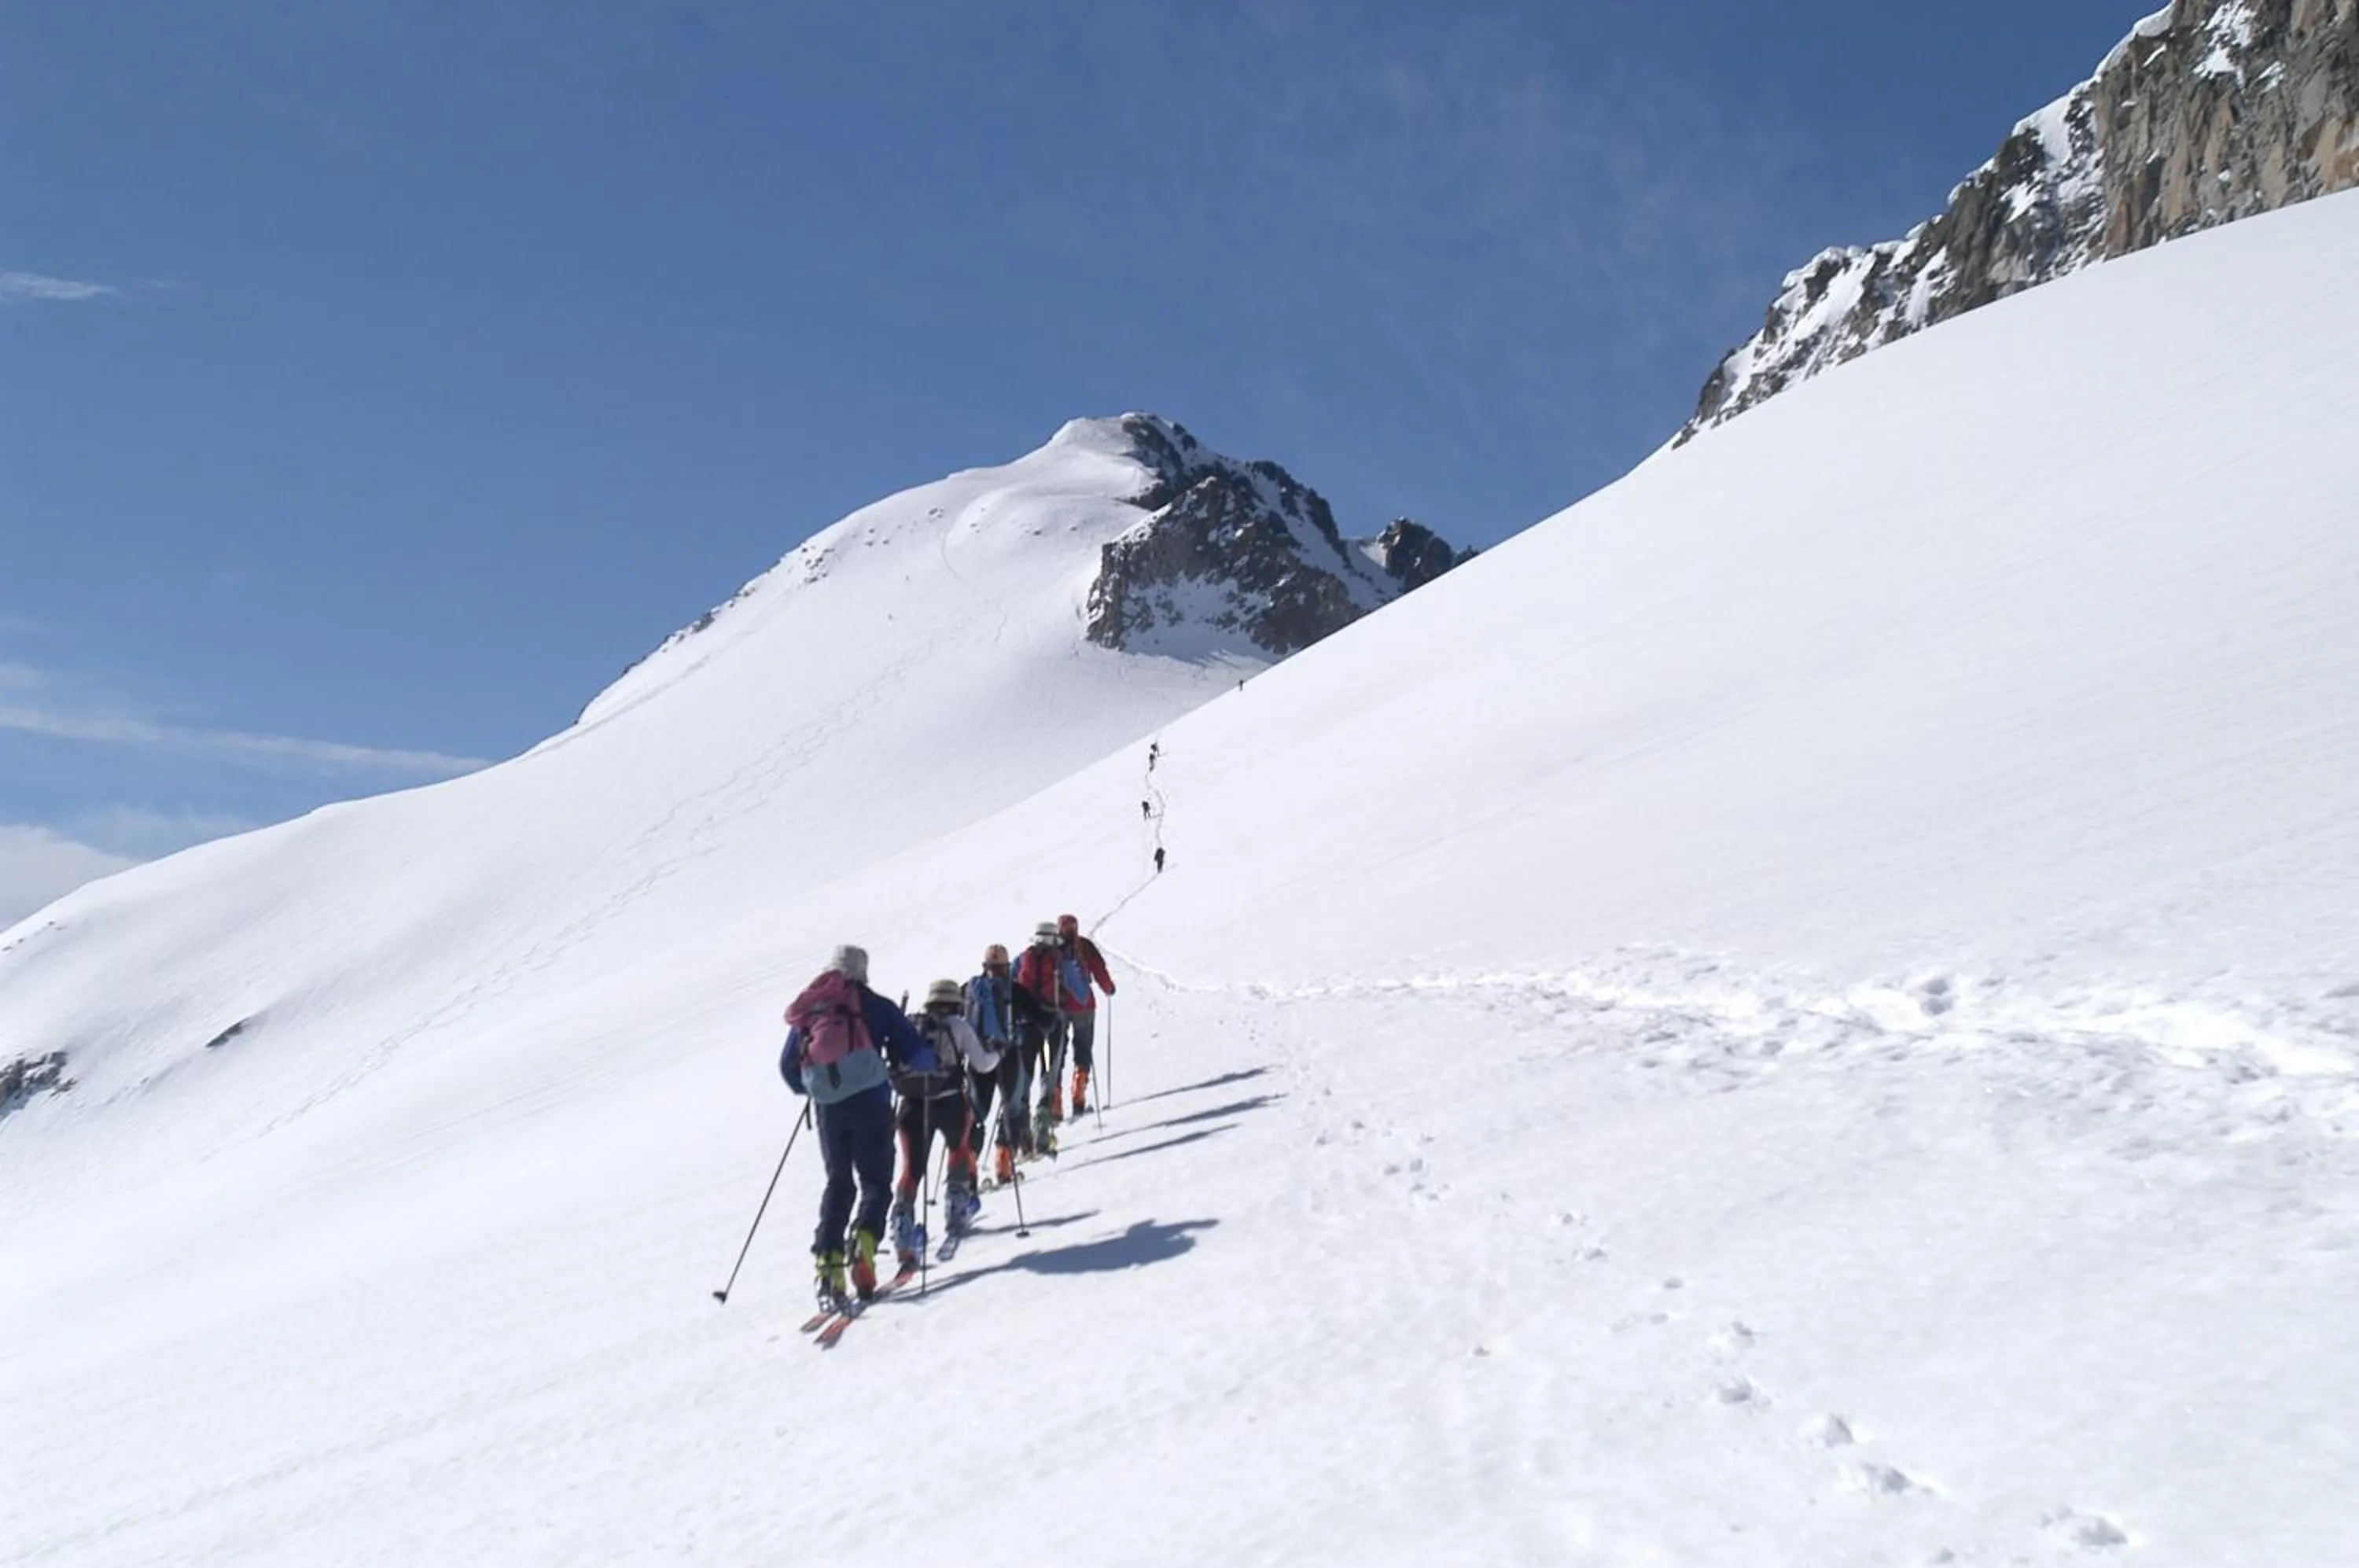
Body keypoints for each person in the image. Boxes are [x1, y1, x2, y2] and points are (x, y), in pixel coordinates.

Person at [781, 944, 929, 1312]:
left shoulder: (812, 1010)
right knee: (875, 1182)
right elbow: (917, 1055)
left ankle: (828, 1264)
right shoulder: (874, 1005)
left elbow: (788, 1066)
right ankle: (863, 1245)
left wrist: (815, 1088)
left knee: (838, 1182)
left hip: (829, 1110)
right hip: (871, 1103)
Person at [892, 979, 998, 1264]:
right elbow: (982, 1064)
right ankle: (955, 1207)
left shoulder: (910, 1025)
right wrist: (998, 1053)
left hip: (912, 1105)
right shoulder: (959, 1026)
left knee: (912, 1168)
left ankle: (902, 1225)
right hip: (951, 1103)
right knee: (958, 1149)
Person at [965, 944, 1024, 1185]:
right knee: (1012, 1107)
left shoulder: (970, 989)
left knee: (977, 1111)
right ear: (1007, 966)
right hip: (1008, 1056)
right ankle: (1004, 1162)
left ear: (985, 966)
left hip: (978, 1056)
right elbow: (1041, 1017)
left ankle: (967, 1165)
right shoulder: (1015, 990)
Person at [1012, 921, 1072, 1147]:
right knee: (1048, 1076)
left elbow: (1011, 988)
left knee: (1024, 1079)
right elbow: (1074, 990)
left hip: (1027, 1028)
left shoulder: (1021, 959)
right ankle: (1042, 1132)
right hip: (1052, 1028)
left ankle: (1023, 1137)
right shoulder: (1060, 960)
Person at [1053, 912, 1117, 1115]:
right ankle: (1078, 1092)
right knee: (1083, 1048)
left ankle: (1055, 1101)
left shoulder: (1052, 950)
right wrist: (1108, 988)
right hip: (1084, 1006)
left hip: (1058, 1008)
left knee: (1056, 1052)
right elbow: (1099, 969)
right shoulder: (1085, 946)